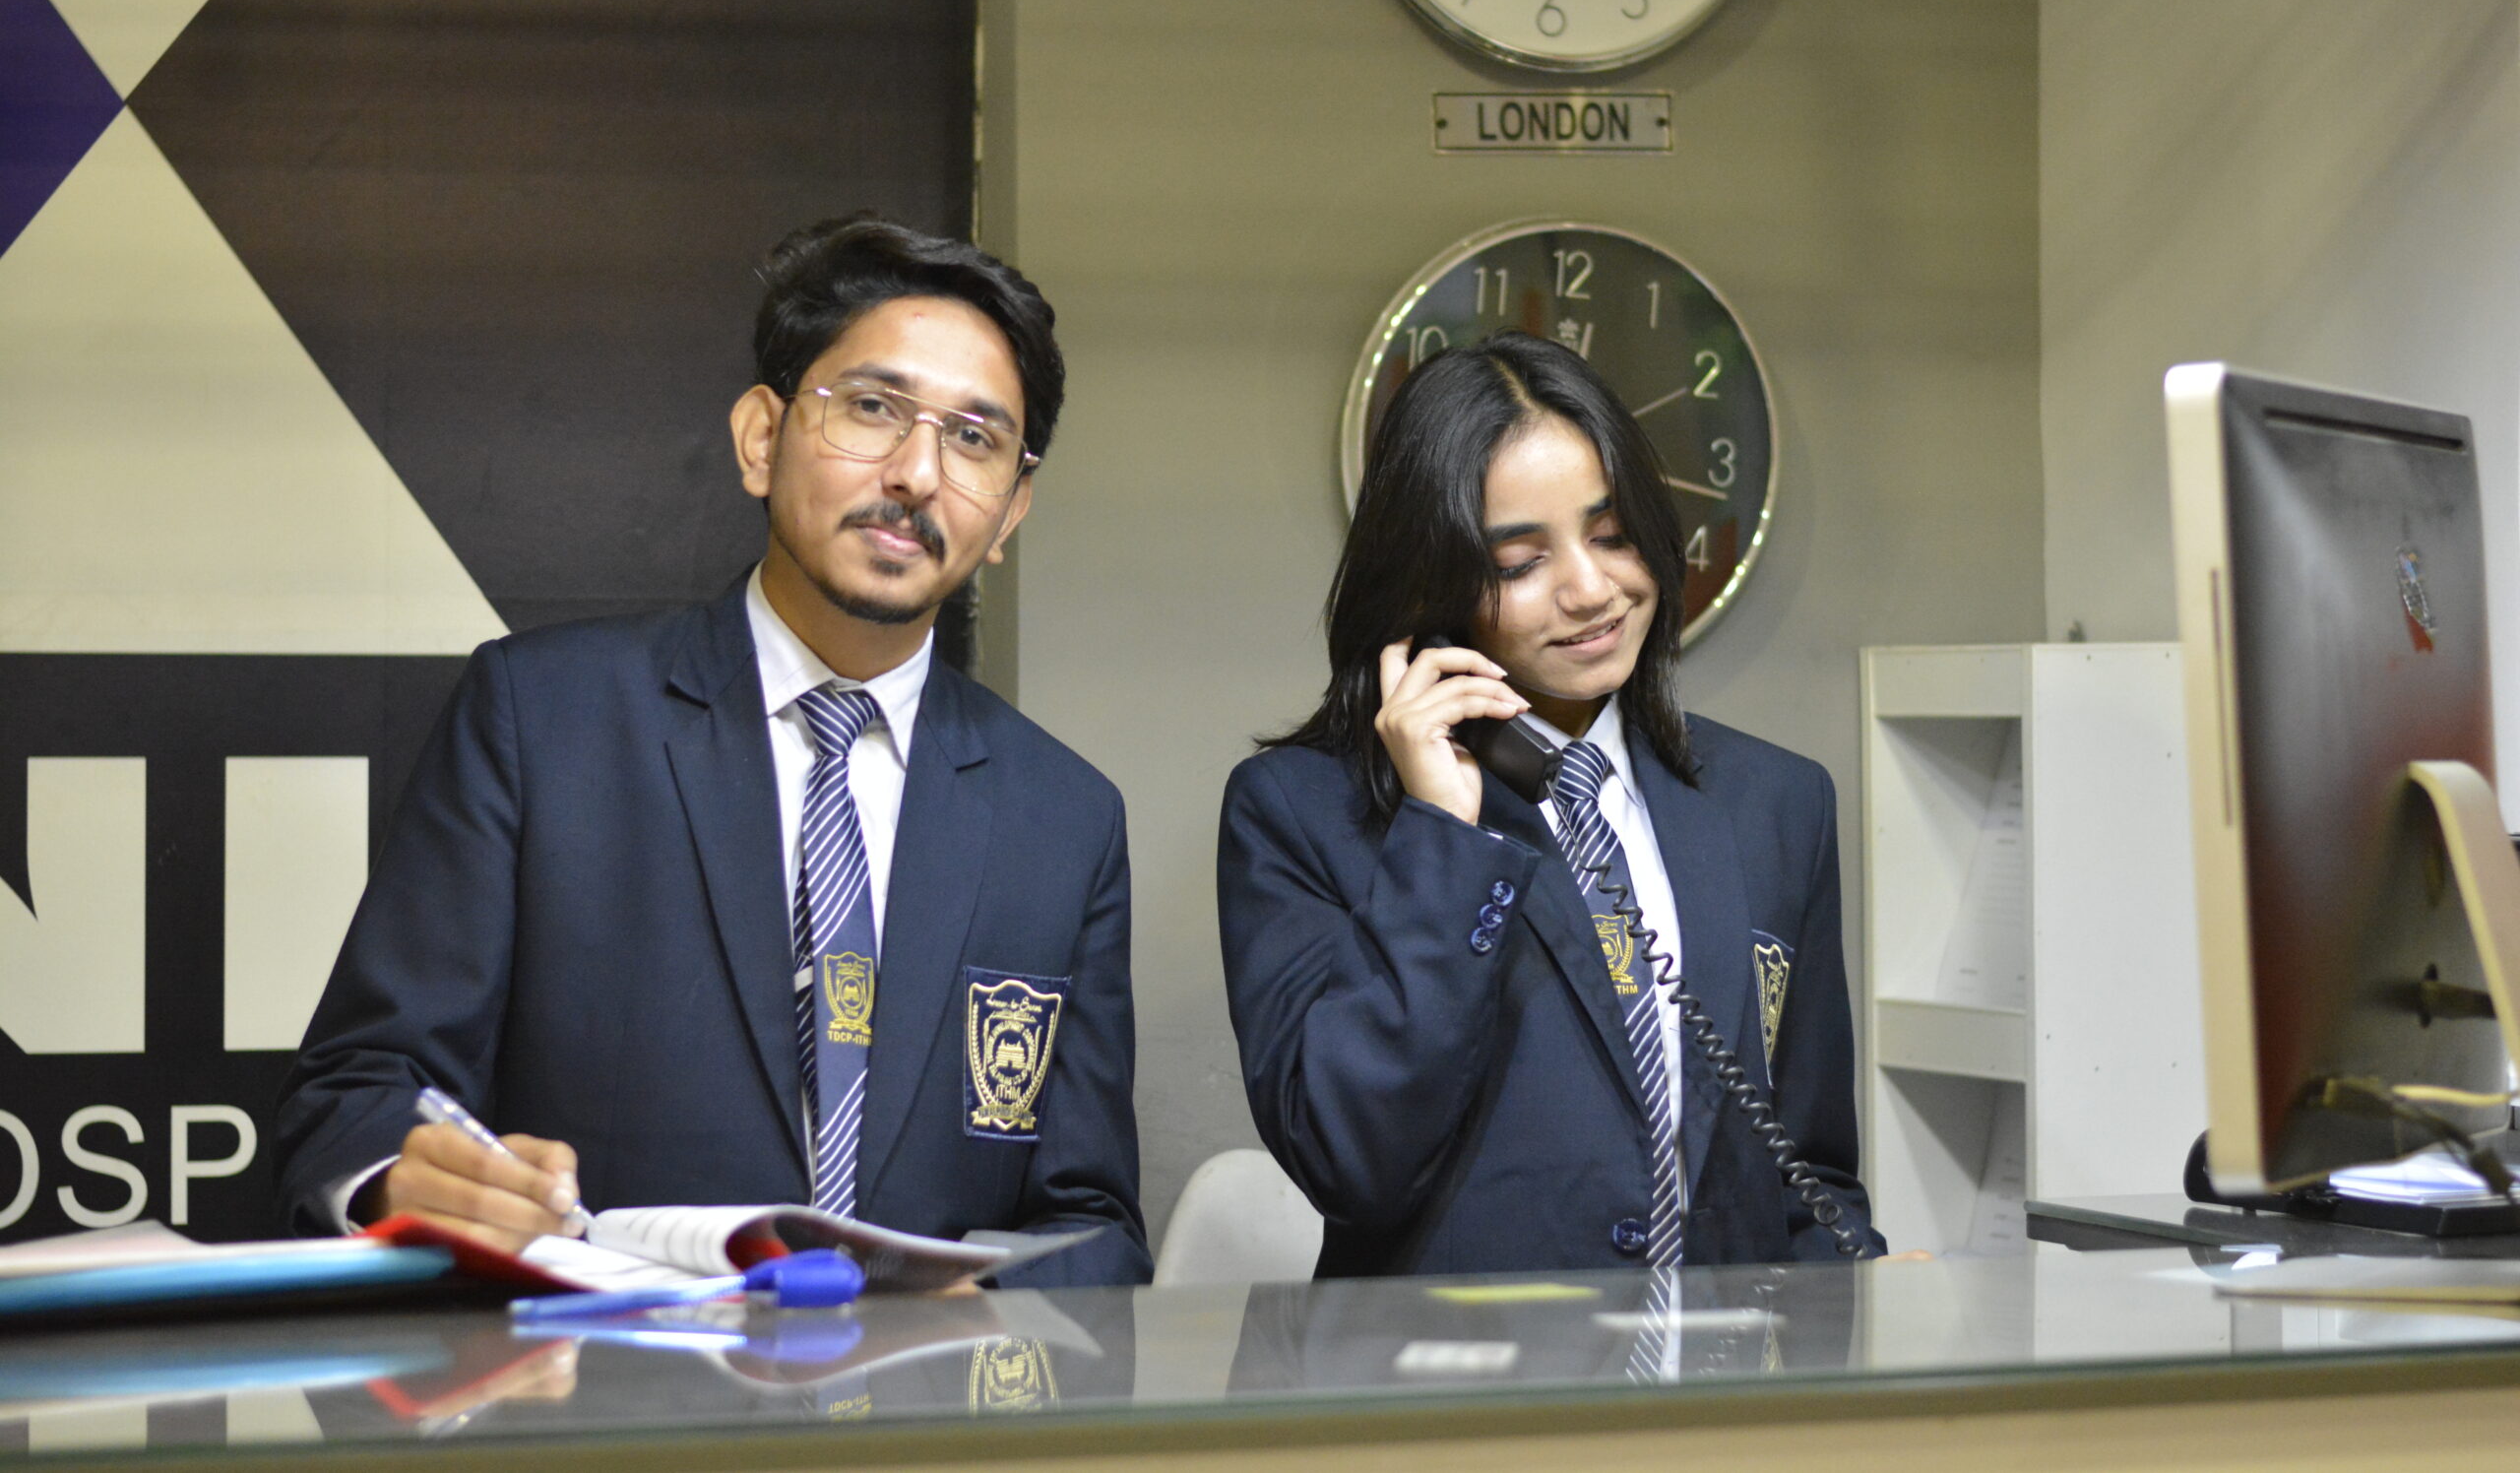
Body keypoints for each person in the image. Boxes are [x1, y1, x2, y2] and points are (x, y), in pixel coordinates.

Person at [274, 215, 1148, 1287]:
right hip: (600, 1377)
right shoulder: (544, 720)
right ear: (760, 438)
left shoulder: (1063, 818)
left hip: (925, 1390)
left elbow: (1093, 1223)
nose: (918, 473)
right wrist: (405, 1181)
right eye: (873, 408)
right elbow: (355, 1097)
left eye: (974, 438)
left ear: (1010, 510)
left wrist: (978, 1307)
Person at [1217, 331, 1881, 1276]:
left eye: (1612, 535)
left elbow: (1808, 1174)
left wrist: (1863, 1301)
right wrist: (1441, 834)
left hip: (1723, 1363)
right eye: (1521, 563)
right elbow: (1347, 1159)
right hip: (1465, 1365)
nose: (1591, 589)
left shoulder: (1778, 802)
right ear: (1429, 591)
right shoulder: (1298, 812)